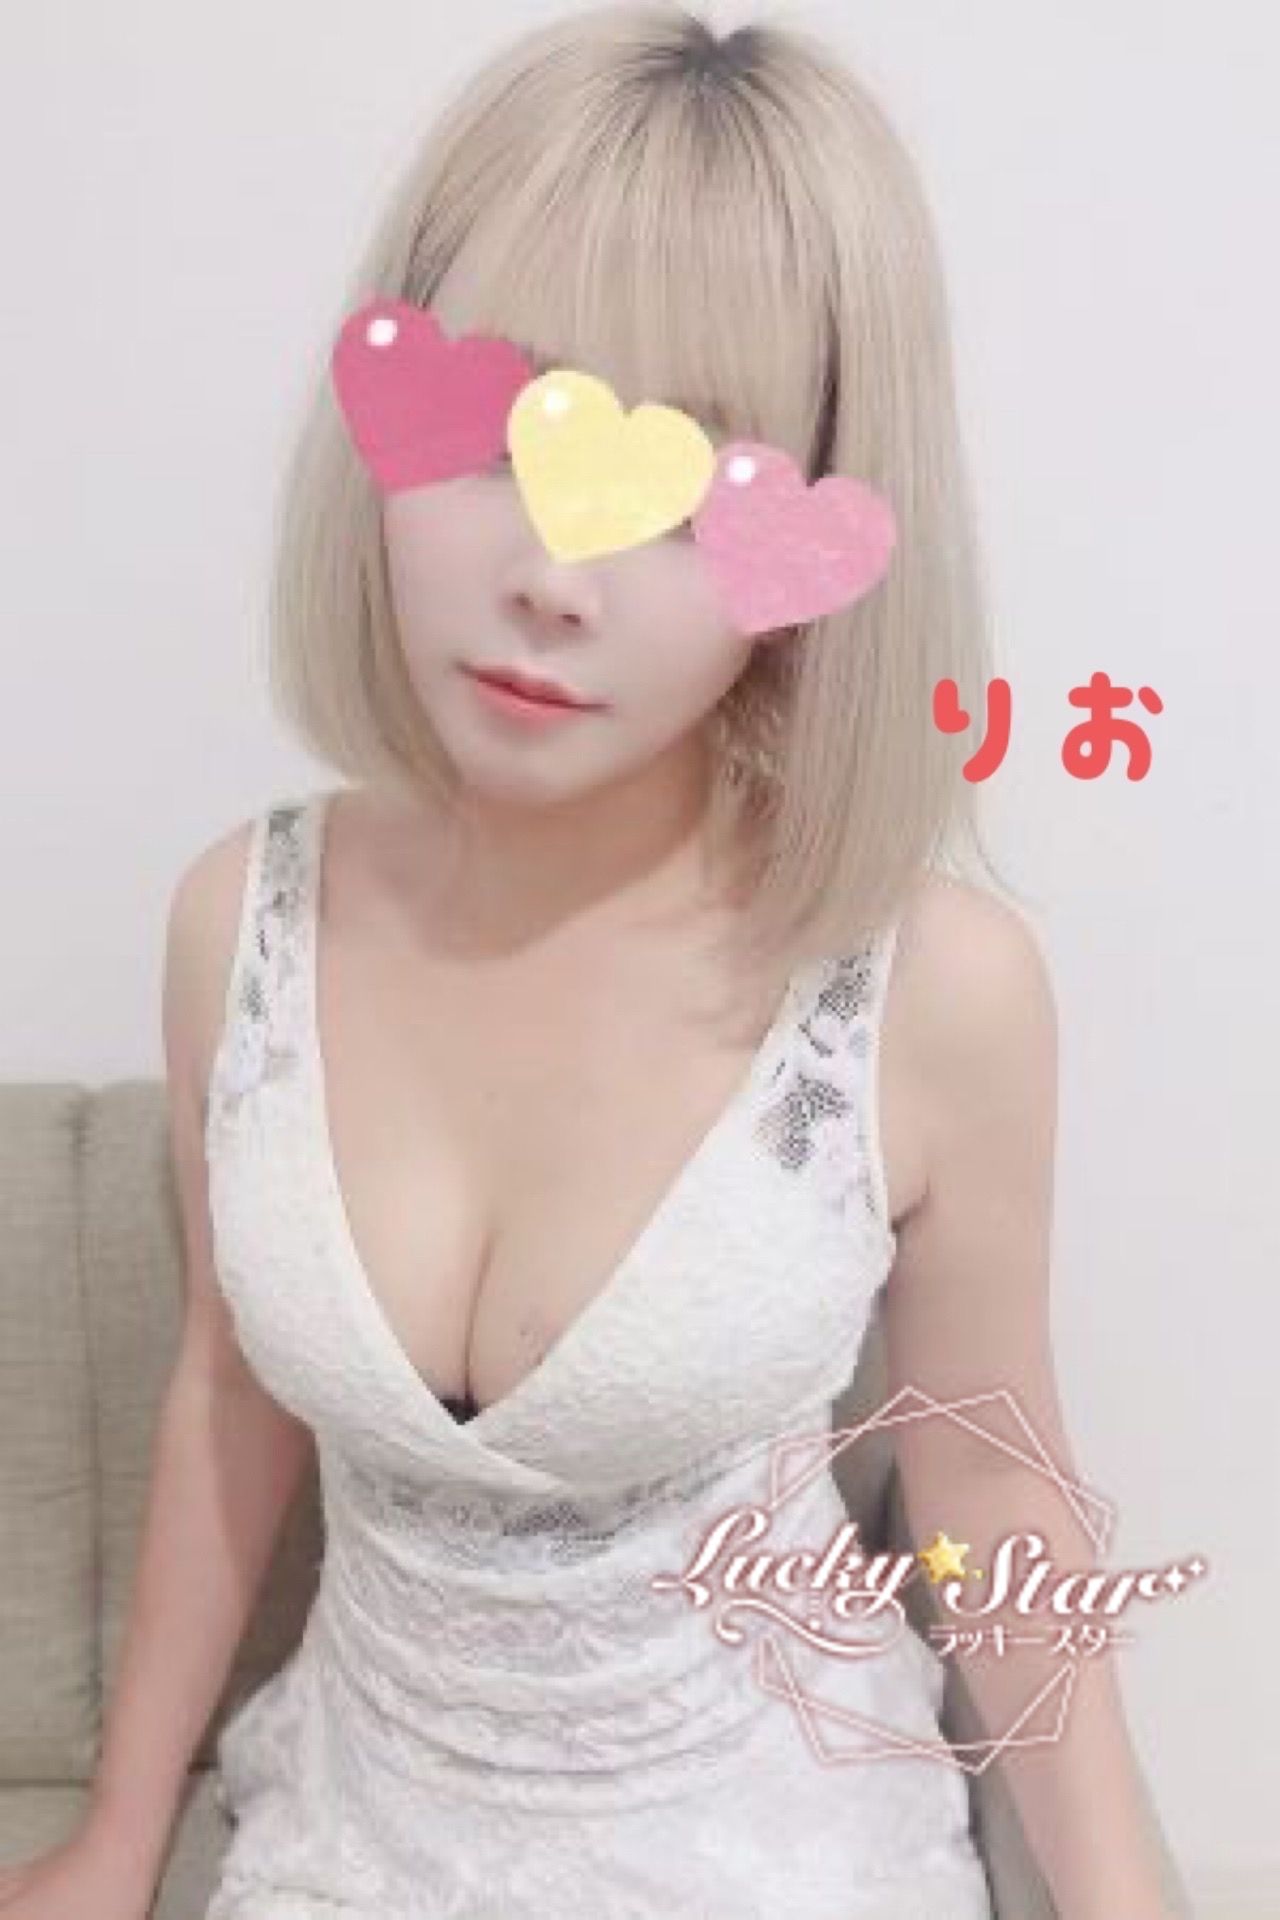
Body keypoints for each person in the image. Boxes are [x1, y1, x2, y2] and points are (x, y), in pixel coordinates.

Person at [0, 6, 1185, 1917]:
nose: (555, 576)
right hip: (350, 1848)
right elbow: (228, 1388)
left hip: (783, 1858)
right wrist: (120, 1836)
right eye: (502, 433)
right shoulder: (243, 924)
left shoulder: (930, 993)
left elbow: (991, 1482)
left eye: (690, 489)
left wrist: (1131, 1903)